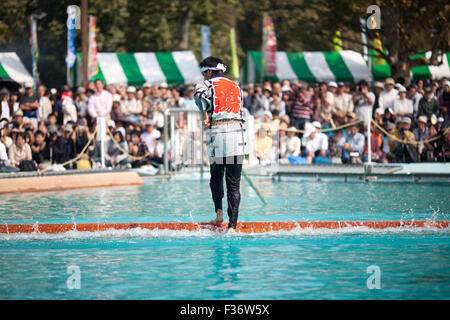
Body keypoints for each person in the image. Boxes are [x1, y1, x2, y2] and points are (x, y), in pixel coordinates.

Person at [194, 56, 249, 231]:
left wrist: (205, 114)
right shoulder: (237, 85)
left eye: (204, 74)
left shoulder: (206, 85)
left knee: (216, 176)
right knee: (234, 183)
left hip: (218, 134)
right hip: (237, 135)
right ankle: (232, 226)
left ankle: (219, 215)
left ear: (209, 71)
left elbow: (199, 99)